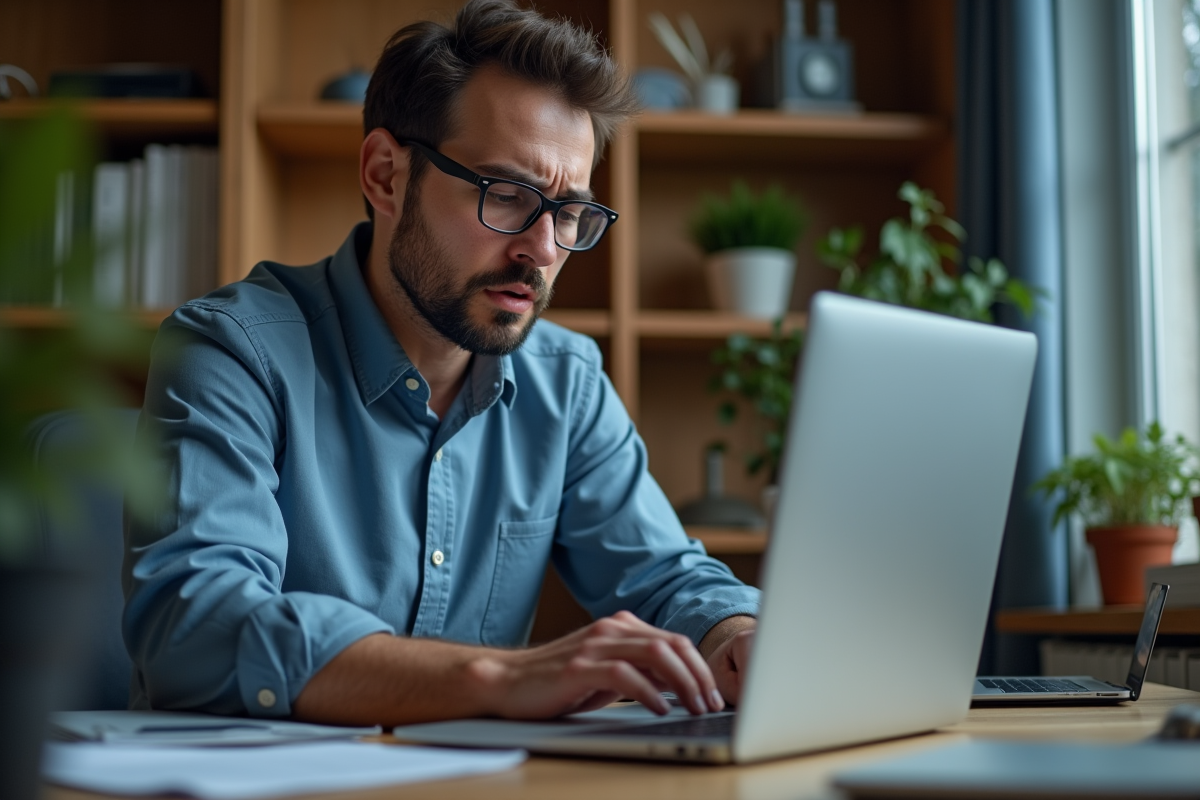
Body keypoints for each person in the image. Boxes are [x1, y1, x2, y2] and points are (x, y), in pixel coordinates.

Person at [123, 0, 760, 726]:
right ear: (386, 176)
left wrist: (735, 635)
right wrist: (498, 677)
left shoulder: (566, 383)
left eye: (569, 212)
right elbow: (194, 625)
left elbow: (666, 575)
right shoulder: (233, 350)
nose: (544, 249)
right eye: (508, 195)